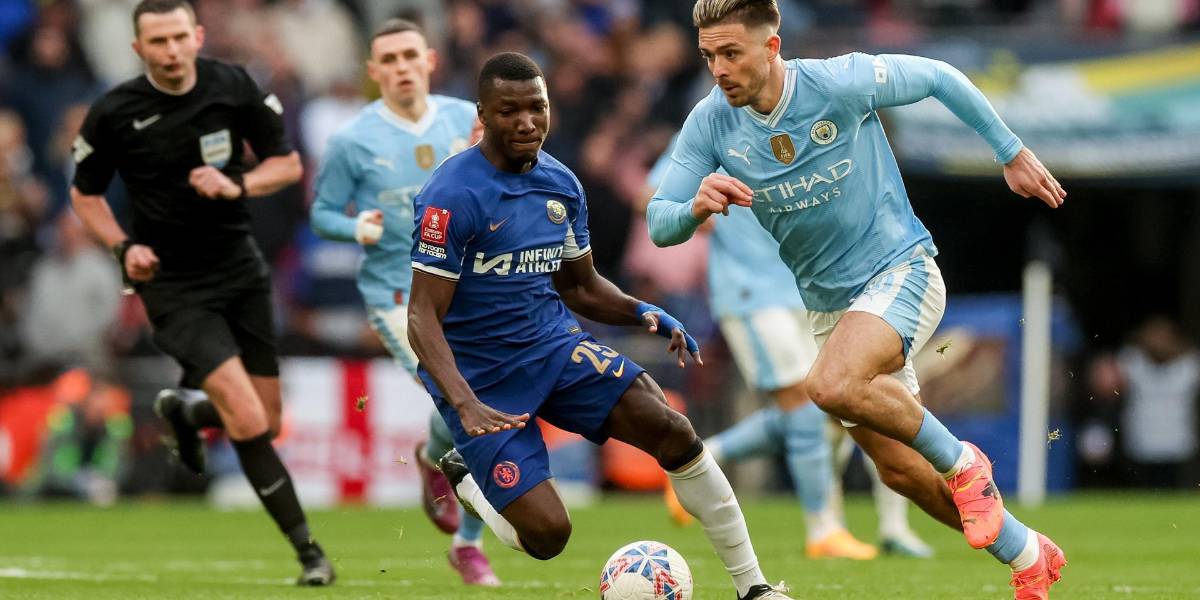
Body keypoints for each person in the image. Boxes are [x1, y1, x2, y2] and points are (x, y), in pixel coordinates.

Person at [647, 1, 1067, 597]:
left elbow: (940, 77)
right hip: (830, 306)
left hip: (901, 269)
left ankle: (966, 461)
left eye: (731, 53)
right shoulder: (711, 123)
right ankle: (1027, 552)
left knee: (828, 386)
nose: (718, 68)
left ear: (772, 47)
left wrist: (1010, 152)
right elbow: (658, 220)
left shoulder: (836, 82)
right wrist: (694, 207)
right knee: (900, 471)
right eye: (709, 56)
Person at [408, 52, 793, 600]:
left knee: (672, 429)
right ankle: (468, 480)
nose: (526, 122)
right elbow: (421, 317)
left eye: (536, 108)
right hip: (483, 380)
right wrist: (464, 405)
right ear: (484, 115)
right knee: (547, 537)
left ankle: (753, 587)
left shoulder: (561, 186)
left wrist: (641, 311)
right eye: (509, 111)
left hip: (554, 347)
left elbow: (581, 286)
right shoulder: (451, 197)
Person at [68, 0, 333, 585]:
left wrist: (235, 182)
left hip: (240, 270)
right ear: (138, 49)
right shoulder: (115, 111)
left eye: (178, 38)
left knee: (266, 416)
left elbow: (287, 166)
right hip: (172, 283)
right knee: (243, 412)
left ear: (198, 36)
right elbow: (84, 195)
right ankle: (310, 554)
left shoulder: (234, 87)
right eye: (156, 41)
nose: (169, 50)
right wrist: (121, 248)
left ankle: (186, 409)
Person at [646, 137, 930, 559]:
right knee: (803, 406)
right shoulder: (711, 129)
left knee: (846, 406)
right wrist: (695, 208)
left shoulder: (802, 122)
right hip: (752, 293)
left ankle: (705, 458)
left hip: (812, 289)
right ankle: (824, 530)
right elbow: (651, 197)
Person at [309, 18, 498, 586]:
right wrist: (355, 227)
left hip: (468, 285)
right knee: (455, 392)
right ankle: (470, 542)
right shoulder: (351, 140)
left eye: (409, 55)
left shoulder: (467, 119)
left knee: (477, 400)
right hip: (396, 294)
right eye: (387, 60)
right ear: (373, 73)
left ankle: (449, 501)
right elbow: (321, 214)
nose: (400, 68)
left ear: (430, 60)